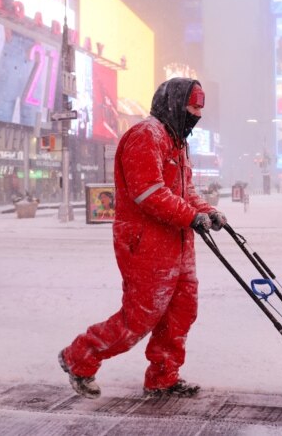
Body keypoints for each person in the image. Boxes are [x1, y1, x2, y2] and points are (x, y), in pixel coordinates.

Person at [58, 77, 228, 399]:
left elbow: (184, 190)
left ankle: (163, 377)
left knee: (181, 312)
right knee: (139, 318)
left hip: (178, 243)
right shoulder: (144, 136)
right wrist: (192, 217)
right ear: (176, 104)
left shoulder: (177, 141)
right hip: (146, 243)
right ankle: (78, 356)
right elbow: (149, 193)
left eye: (200, 108)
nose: (198, 114)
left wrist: (207, 211)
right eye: (193, 106)